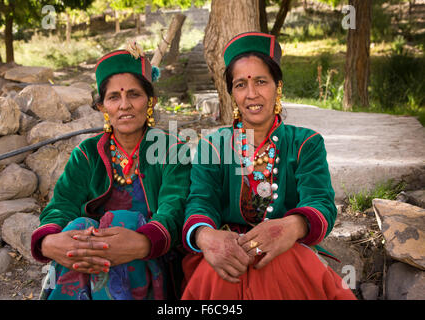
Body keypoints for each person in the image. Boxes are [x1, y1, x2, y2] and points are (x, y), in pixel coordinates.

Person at [181, 32, 356, 300]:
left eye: (261, 81)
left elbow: (321, 202)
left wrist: (291, 227)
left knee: (278, 266)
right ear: (232, 94)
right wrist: (206, 237)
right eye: (240, 85)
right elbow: (200, 202)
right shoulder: (213, 146)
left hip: (288, 250)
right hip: (229, 252)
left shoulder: (305, 143)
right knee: (223, 274)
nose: (251, 94)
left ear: (278, 86)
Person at [30, 42, 190, 300]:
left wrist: (142, 242)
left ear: (151, 102)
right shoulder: (87, 153)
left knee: (123, 221)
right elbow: (62, 204)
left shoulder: (172, 149)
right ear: (103, 107)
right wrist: (48, 242)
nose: (124, 105)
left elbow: (174, 207)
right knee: (78, 226)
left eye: (134, 95)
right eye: (114, 97)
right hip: (88, 258)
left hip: (147, 257)